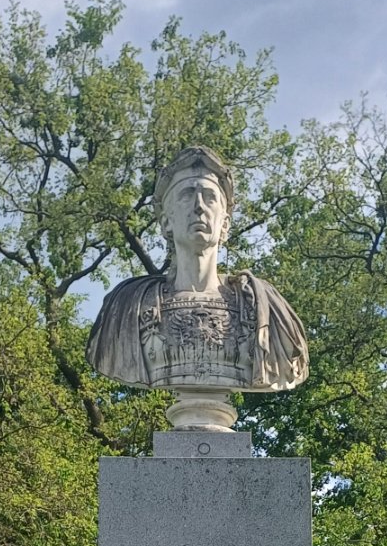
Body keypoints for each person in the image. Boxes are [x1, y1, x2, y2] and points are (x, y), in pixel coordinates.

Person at [86, 146, 308, 398]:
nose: (199, 206)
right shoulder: (127, 306)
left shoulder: (264, 305)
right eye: (187, 194)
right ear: (166, 221)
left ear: (224, 224)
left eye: (210, 196)